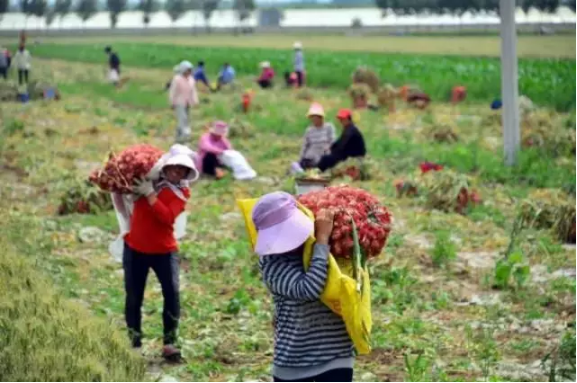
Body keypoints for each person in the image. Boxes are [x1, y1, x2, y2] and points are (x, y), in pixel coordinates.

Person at [253, 192, 354, 382]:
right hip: (296, 363)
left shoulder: (315, 245)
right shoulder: (272, 264)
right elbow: (308, 289)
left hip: (337, 355)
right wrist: (322, 241)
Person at [123, 148, 198, 361]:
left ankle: (169, 342)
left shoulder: (181, 194)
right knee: (134, 296)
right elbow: (126, 194)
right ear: (165, 167)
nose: (177, 172)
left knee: (172, 294)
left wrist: (150, 194)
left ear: (185, 174)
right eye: (174, 167)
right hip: (135, 248)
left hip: (164, 252)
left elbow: (166, 217)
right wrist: (139, 189)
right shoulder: (149, 181)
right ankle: (134, 342)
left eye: (182, 170)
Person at [298, 103, 336, 170]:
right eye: (312, 117)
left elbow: (333, 142)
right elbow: (304, 146)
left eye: (316, 117)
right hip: (311, 157)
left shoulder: (329, 127)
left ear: (321, 117)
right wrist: (300, 159)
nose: (314, 119)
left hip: (324, 155)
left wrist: (328, 149)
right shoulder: (309, 130)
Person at [169, 61, 199, 144]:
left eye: (190, 70)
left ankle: (178, 137)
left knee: (185, 118)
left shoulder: (191, 79)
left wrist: (195, 101)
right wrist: (172, 102)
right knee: (183, 119)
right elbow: (173, 91)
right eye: (187, 70)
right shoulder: (177, 79)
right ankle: (185, 136)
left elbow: (193, 91)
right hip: (179, 102)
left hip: (187, 102)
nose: (189, 72)